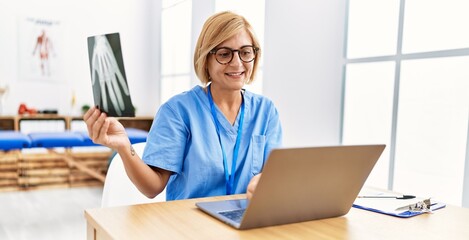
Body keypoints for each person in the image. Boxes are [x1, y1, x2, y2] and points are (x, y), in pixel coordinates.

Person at [84, 11, 282, 201]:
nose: (237, 62)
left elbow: (273, 175)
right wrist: (124, 147)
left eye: (246, 52)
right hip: (190, 225)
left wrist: (265, 183)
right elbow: (152, 187)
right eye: (224, 54)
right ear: (206, 60)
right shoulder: (178, 111)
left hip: (245, 222)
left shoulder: (266, 111)